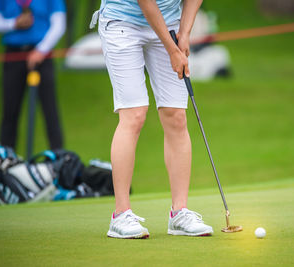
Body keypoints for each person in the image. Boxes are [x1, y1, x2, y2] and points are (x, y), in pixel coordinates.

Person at [92, 0, 213, 238]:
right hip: (122, 22)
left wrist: (185, 33)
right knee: (134, 114)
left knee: (176, 116)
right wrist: (173, 50)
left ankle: (179, 212)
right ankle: (121, 214)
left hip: (169, 24)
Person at [0, 0, 66, 151]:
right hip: (13, 54)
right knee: (10, 111)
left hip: (42, 55)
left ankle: (59, 160)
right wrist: (14, 24)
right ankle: (5, 160)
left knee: (50, 110)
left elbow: (59, 24)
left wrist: (41, 50)